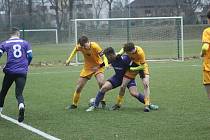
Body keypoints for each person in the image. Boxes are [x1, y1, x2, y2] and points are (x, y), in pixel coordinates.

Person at [86, 47, 158, 112]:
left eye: (107, 57)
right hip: (117, 78)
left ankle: (148, 104)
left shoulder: (125, 59)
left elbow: (138, 66)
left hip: (128, 78)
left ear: (111, 55)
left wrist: (142, 77)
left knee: (134, 93)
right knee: (103, 88)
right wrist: (98, 67)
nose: (107, 59)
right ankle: (94, 106)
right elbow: (104, 63)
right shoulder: (110, 59)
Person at [65, 36, 108, 109]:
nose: (84, 48)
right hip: (87, 68)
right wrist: (69, 60)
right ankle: (74, 105)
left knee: (101, 83)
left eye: (85, 45)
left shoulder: (95, 46)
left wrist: (106, 64)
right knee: (79, 87)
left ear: (88, 42)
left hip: (98, 66)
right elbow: (75, 50)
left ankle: (102, 101)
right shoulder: (81, 46)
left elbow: (104, 57)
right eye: (82, 46)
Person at [0, 27, 33, 122]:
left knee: (3, 92)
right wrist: (27, 64)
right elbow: (30, 56)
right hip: (22, 71)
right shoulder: (25, 43)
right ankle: (21, 106)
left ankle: (0, 110)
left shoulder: (5, 43)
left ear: (10, 34)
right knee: (19, 93)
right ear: (18, 33)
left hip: (10, 71)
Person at [116, 42, 152, 112]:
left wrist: (133, 69)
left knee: (146, 84)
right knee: (123, 86)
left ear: (132, 51)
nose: (127, 53)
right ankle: (118, 103)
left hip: (141, 67)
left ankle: (147, 105)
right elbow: (123, 49)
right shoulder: (129, 48)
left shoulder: (140, 52)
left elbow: (143, 66)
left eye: (128, 52)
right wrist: (120, 53)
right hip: (133, 66)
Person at [200, 9, 210, 99]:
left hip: (208, 67)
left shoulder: (207, 31)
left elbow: (205, 47)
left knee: (207, 85)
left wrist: (202, 54)